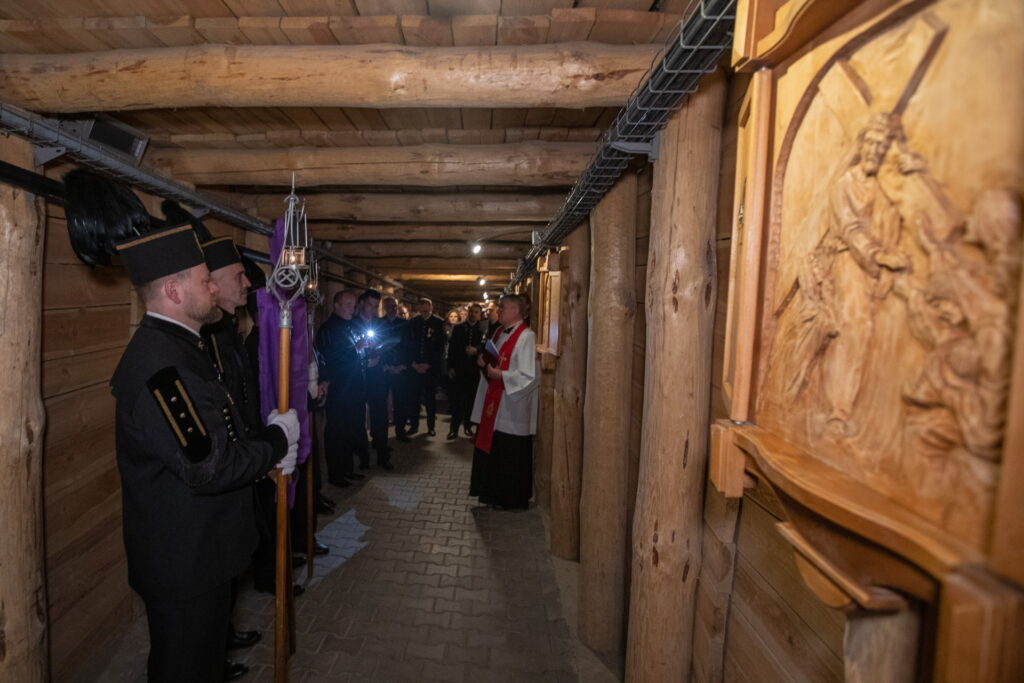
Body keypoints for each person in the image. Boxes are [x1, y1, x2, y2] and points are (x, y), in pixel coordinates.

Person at [109, 226, 299, 683]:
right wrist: (277, 443)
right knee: (186, 668)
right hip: (184, 559)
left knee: (202, 661)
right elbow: (209, 466)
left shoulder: (180, 347)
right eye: (204, 279)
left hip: (199, 550)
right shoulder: (163, 365)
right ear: (174, 291)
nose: (214, 285)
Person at [469, 294, 538, 510]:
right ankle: (492, 494)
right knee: (494, 450)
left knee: (510, 453)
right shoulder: (499, 331)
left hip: (511, 407)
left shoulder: (526, 336)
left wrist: (502, 376)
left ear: (516, 311)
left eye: (504, 307)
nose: (500, 310)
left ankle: (511, 499)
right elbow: (493, 360)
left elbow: (529, 375)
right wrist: (483, 361)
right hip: (495, 403)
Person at [315, 290, 369, 485]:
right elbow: (328, 359)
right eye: (347, 305)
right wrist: (356, 349)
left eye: (353, 306)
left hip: (353, 389)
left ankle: (347, 469)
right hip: (338, 390)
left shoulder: (350, 327)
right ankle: (335, 474)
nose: (351, 309)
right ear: (335, 305)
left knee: (350, 431)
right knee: (336, 432)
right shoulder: (328, 329)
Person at [354, 289, 393, 470]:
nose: (372, 309)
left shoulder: (381, 324)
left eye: (376, 306)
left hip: (377, 374)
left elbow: (390, 345)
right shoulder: (351, 323)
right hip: (358, 377)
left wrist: (380, 356)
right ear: (361, 303)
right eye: (370, 305)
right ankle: (363, 456)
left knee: (380, 415)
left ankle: (383, 455)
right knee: (358, 416)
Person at [404, 298, 445, 436]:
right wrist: (413, 363)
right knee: (414, 399)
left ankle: (431, 426)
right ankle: (414, 425)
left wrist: (428, 364)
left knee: (430, 400)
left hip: (429, 369)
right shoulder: (413, 323)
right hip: (415, 368)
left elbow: (439, 348)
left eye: (426, 307)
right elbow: (409, 345)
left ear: (431, 307)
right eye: (421, 307)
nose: (424, 309)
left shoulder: (438, 323)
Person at [446, 303, 485, 439]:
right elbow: (451, 349)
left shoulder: (482, 330)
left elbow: (486, 347)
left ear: (480, 315)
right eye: (471, 312)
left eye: (476, 312)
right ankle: (453, 429)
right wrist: (450, 367)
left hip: (474, 370)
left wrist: (477, 350)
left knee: (471, 401)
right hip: (460, 369)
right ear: (468, 313)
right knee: (457, 401)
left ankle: (468, 427)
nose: (473, 314)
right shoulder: (458, 328)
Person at [378, 296, 410, 442]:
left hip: (400, 368)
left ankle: (400, 430)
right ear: (384, 307)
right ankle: (382, 434)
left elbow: (409, 346)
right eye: (389, 306)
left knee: (401, 401)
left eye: (394, 306)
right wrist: (386, 365)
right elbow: (377, 346)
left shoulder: (404, 324)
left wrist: (403, 365)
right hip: (385, 368)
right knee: (382, 402)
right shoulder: (379, 324)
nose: (392, 309)